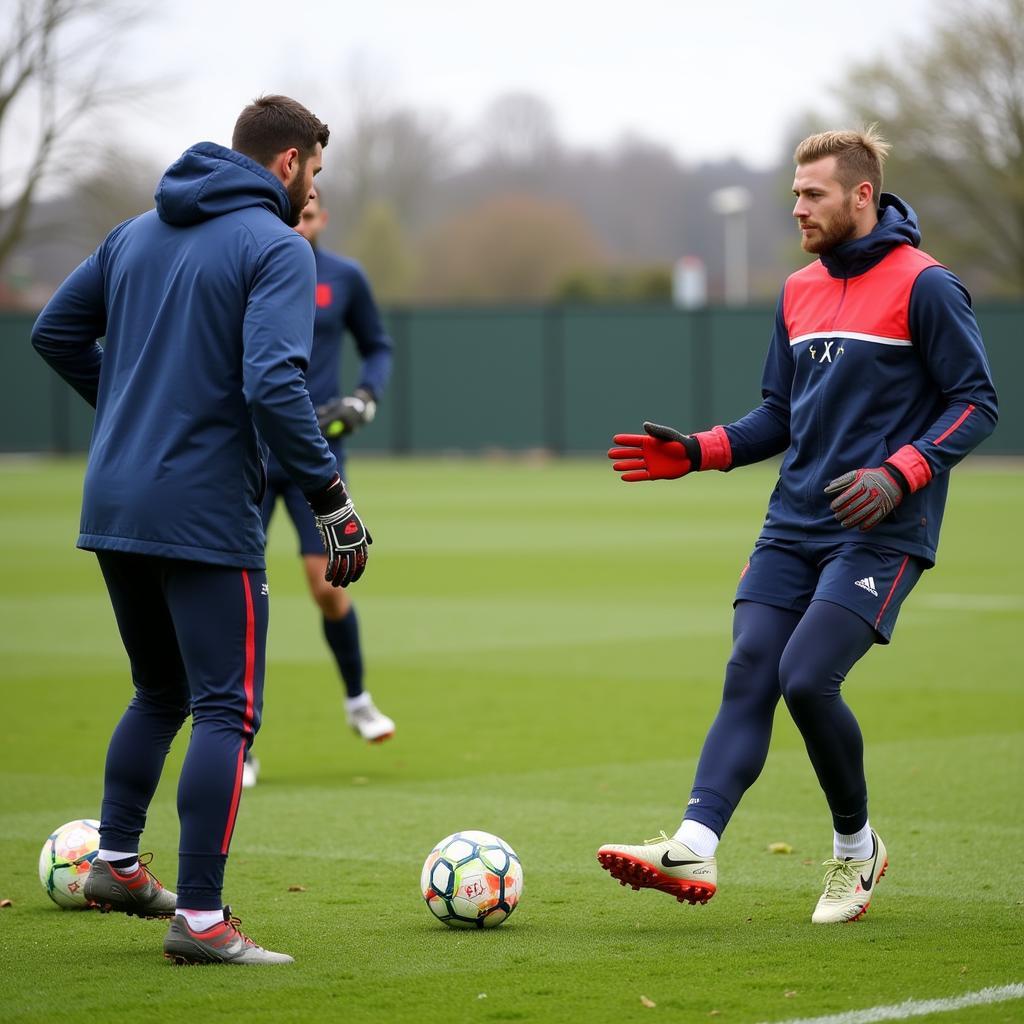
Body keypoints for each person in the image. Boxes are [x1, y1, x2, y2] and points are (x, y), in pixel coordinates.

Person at [598, 126, 997, 924]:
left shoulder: (927, 286)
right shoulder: (797, 290)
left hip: (881, 528)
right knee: (753, 665)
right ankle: (694, 844)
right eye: (793, 193)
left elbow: (977, 403)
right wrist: (703, 449)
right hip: (793, 522)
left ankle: (858, 851)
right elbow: (781, 413)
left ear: (861, 195)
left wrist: (900, 473)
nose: (797, 208)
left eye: (812, 194)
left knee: (806, 677)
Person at [31, 95, 371, 965]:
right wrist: (333, 505)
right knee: (226, 708)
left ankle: (113, 864)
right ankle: (205, 920)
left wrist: (128, 418)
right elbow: (274, 386)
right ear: (290, 162)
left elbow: (56, 332)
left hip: (114, 504)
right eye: (317, 173)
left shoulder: (135, 232)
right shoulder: (276, 249)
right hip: (205, 511)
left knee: (160, 692)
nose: (313, 194)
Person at [243, 191, 394, 789]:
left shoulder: (344, 277)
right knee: (239, 601)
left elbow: (378, 345)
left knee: (327, 586)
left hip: (317, 454)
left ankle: (357, 700)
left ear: (323, 218)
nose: (300, 223)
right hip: (249, 453)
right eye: (293, 214)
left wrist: (365, 396)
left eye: (309, 214)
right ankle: (242, 744)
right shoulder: (250, 268)